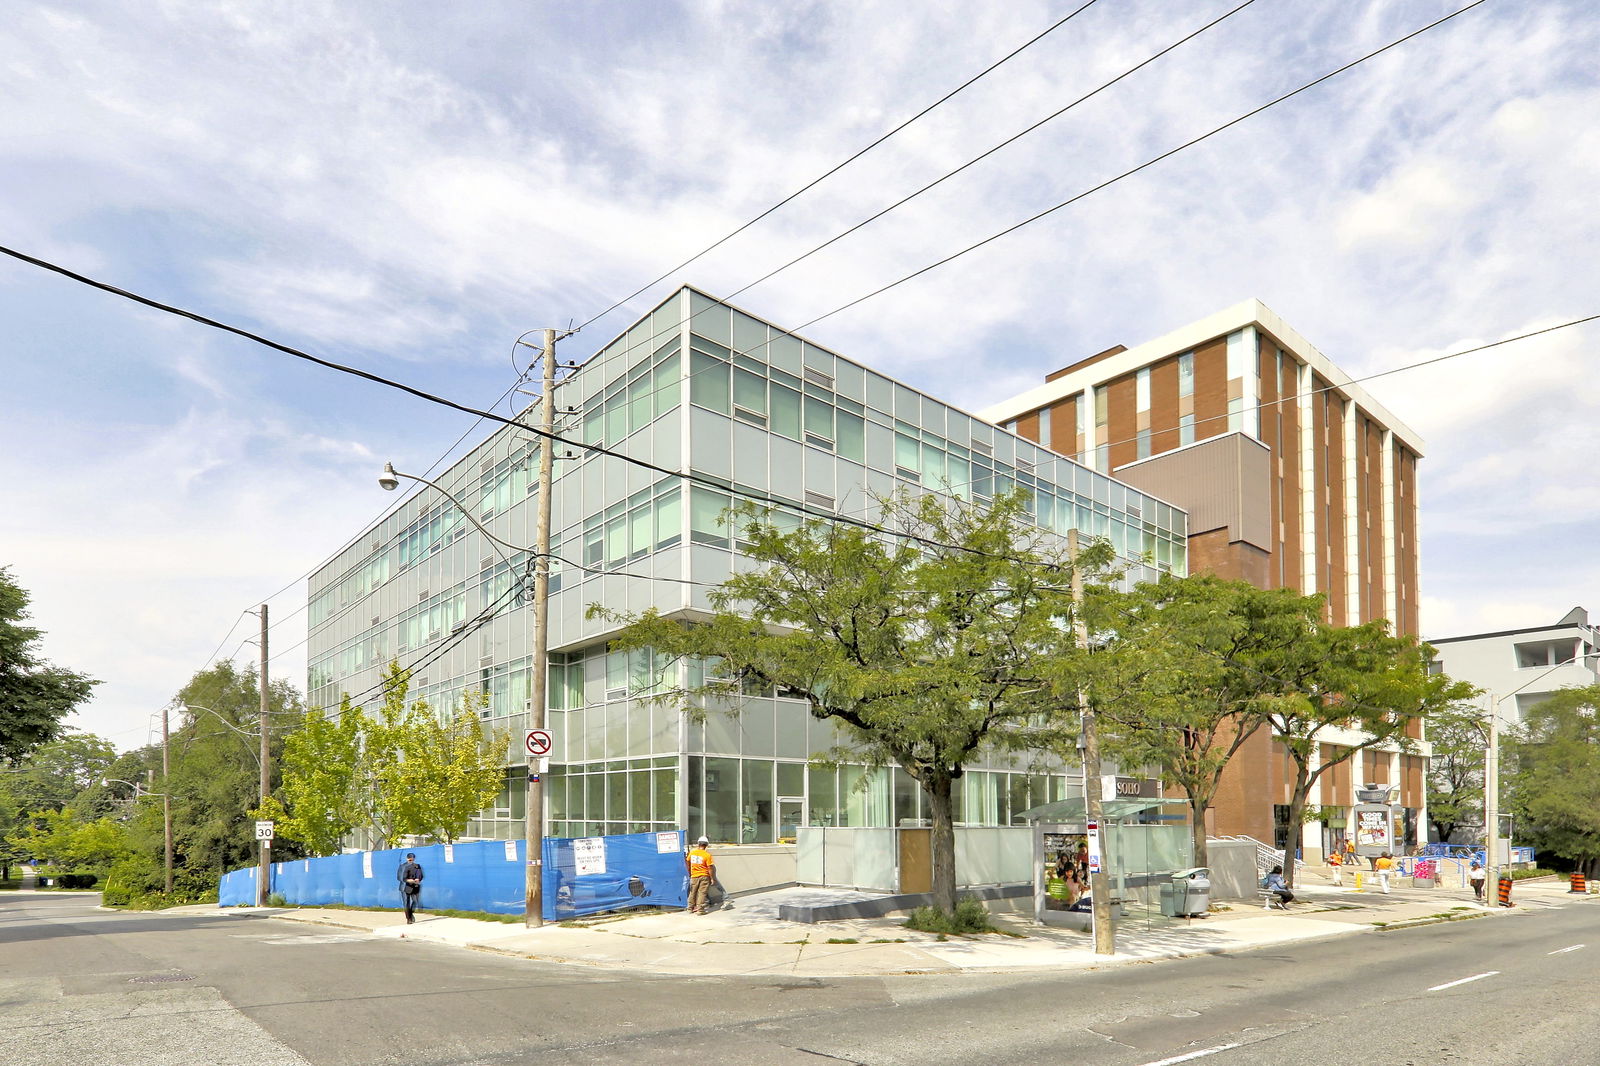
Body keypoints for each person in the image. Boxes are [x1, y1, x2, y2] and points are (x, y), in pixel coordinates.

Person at [686, 835, 716, 915]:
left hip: (694, 876)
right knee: (702, 893)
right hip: (704, 876)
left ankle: (689, 908)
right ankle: (700, 910)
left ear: (698, 844)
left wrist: (689, 872)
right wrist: (712, 878)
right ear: (706, 845)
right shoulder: (707, 855)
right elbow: (710, 868)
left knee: (692, 892)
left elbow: (687, 862)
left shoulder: (692, 852)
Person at [397, 852, 424, 924]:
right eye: (409, 860)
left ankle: (410, 913)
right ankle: (408, 919)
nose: (411, 861)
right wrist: (408, 880)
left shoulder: (417, 866)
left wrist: (418, 879)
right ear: (407, 859)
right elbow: (399, 877)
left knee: (415, 901)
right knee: (406, 902)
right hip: (405, 887)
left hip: (414, 886)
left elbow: (420, 875)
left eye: (412, 860)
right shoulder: (402, 866)